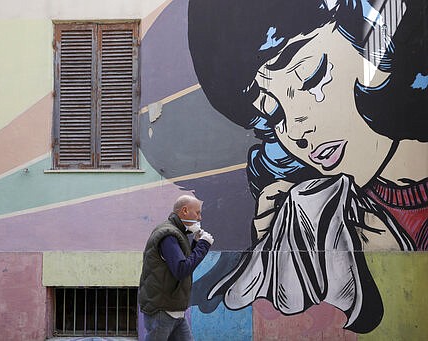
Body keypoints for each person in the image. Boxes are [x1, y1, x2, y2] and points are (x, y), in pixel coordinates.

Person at [188, 0, 426, 333]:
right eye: (275, 115)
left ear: (374, 46)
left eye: (311, 78)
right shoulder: (321, 210)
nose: (297, 131)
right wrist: (270, 250)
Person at [139, 194, 214, 341]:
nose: (200, 218)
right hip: (162, 310)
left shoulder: (177, 233)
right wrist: (203, 246)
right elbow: (181, 269)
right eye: (197, 212)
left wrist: (196, 244)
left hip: (174, 310)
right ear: (184, 211)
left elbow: (182, 262)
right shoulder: (168, 235)